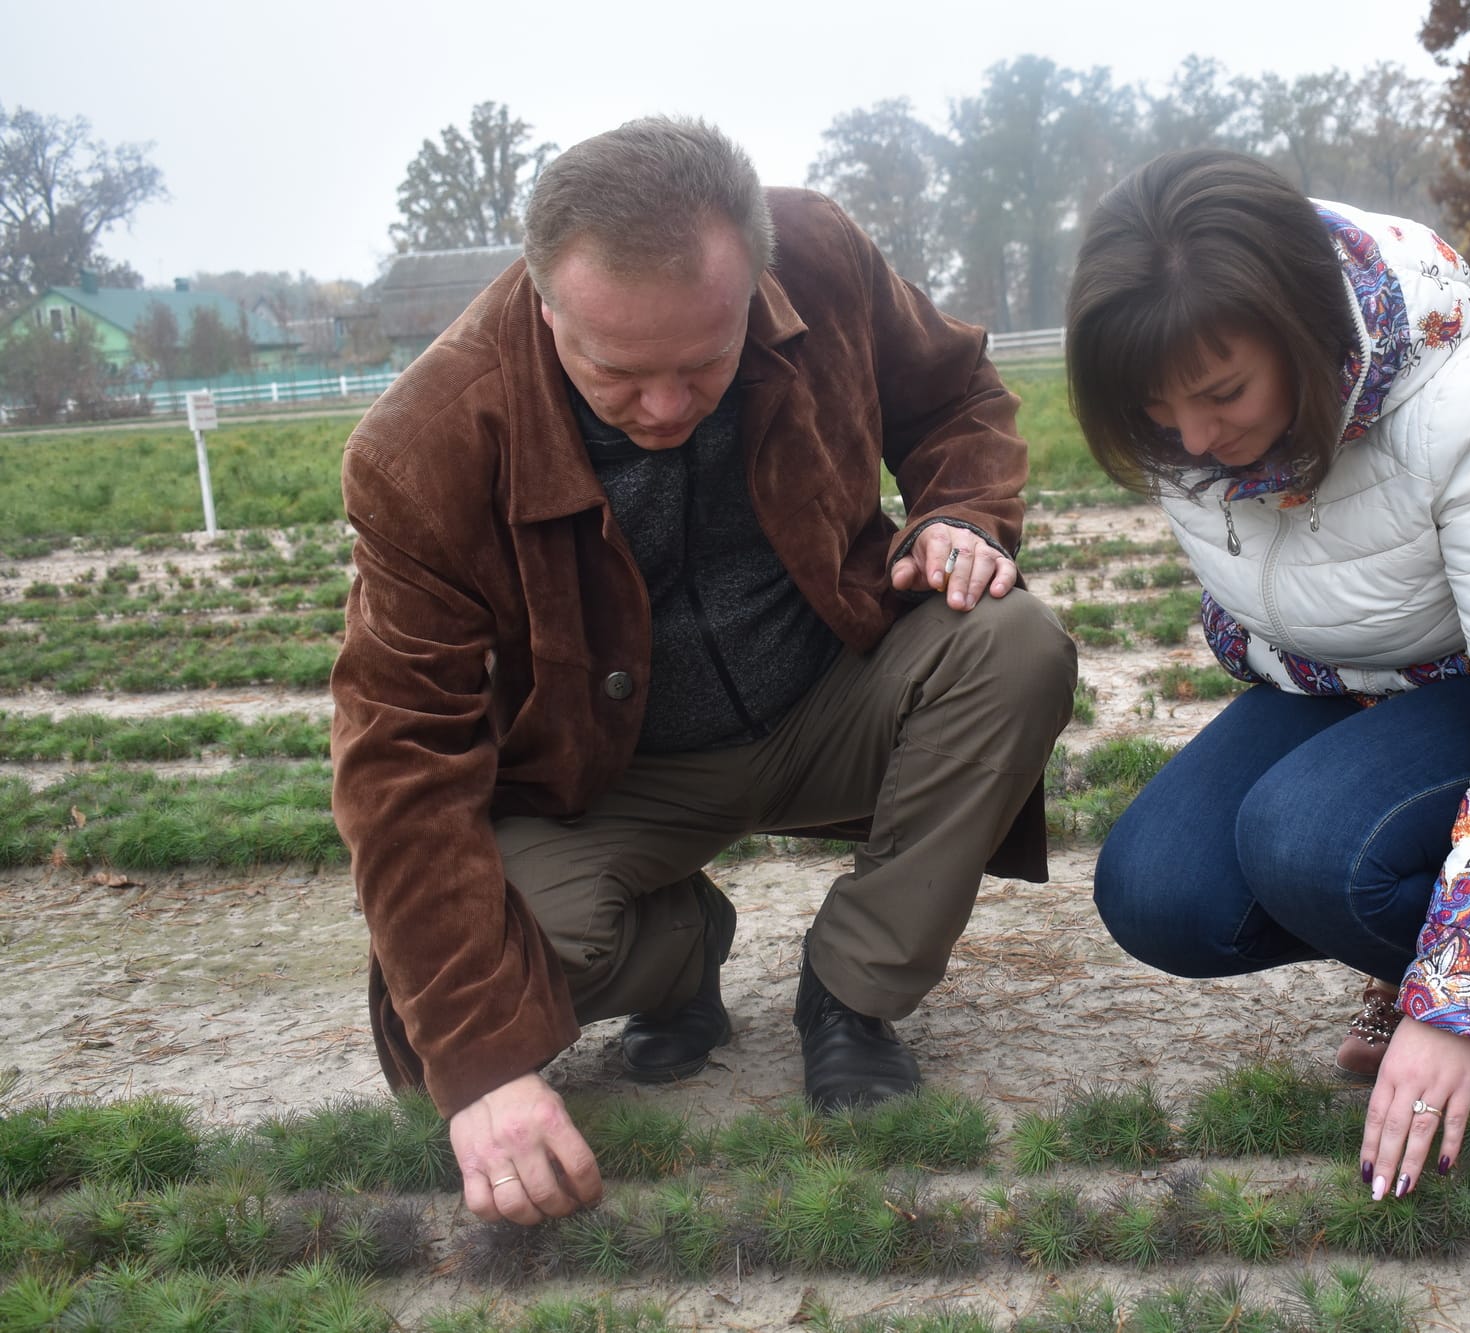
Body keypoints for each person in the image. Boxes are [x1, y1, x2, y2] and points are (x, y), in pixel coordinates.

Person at [331, 117, 1077, 1228]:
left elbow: (955, 392)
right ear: (547, 308)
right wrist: (484, 1071)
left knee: (1013, 644)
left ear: (756, 287)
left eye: (704, 364)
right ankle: (681, 947)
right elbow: (399, 759)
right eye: (620, 374)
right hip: (605, 780)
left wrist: (961, 513)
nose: (668, 407)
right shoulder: (423, 447)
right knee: (436, 1019)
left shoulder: (820, 256)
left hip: (830, 694)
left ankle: (852, 987)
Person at [1064, 150, 1470, 1203]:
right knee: (1157, 891)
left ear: (1303, 326)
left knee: (1308, 842)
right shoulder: (1185, 428)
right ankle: (1426, 943)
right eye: (1158, 407)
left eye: (1222, 394)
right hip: (1373, 680)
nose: (1194, 437)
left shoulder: (1467, 400)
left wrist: (1462, 1000)